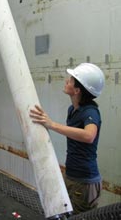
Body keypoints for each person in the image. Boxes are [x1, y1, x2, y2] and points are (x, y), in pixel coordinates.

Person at [29, 63, 105, 214]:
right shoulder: (73, 110)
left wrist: (52, 124)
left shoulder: (91, 112)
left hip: (84, 181)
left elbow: (89, 136)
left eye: (70, 81)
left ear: (77, 90)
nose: (66, 81)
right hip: (71, 175)